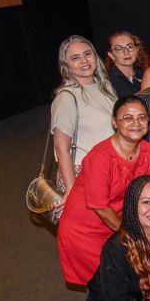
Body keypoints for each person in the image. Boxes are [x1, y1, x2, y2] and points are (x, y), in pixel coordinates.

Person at [57, 95, 150, 286]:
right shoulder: (101, 157)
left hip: (120, 221)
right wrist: (134, 236)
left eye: (142, 117)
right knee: (104, 285)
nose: (136, 123)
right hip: (86, 229)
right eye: (127, 118)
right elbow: (101, 208)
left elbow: (146, 194)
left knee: (128, 278)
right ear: (114, 123)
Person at [51, 35, 117, 210]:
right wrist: (73, 192)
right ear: (66, 65)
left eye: (87, 54)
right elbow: (61, 149)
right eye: (75, 58)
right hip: (85, 175)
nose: (84, 61)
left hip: (111, 169)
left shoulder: (105, 87)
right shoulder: (67, 97)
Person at [105, 31, 148, 97]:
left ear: (137, 50)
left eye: (130, 47)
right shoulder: (108, 82)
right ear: (111, 55)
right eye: (118, 49)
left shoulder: (145, 74)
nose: (126, 52)